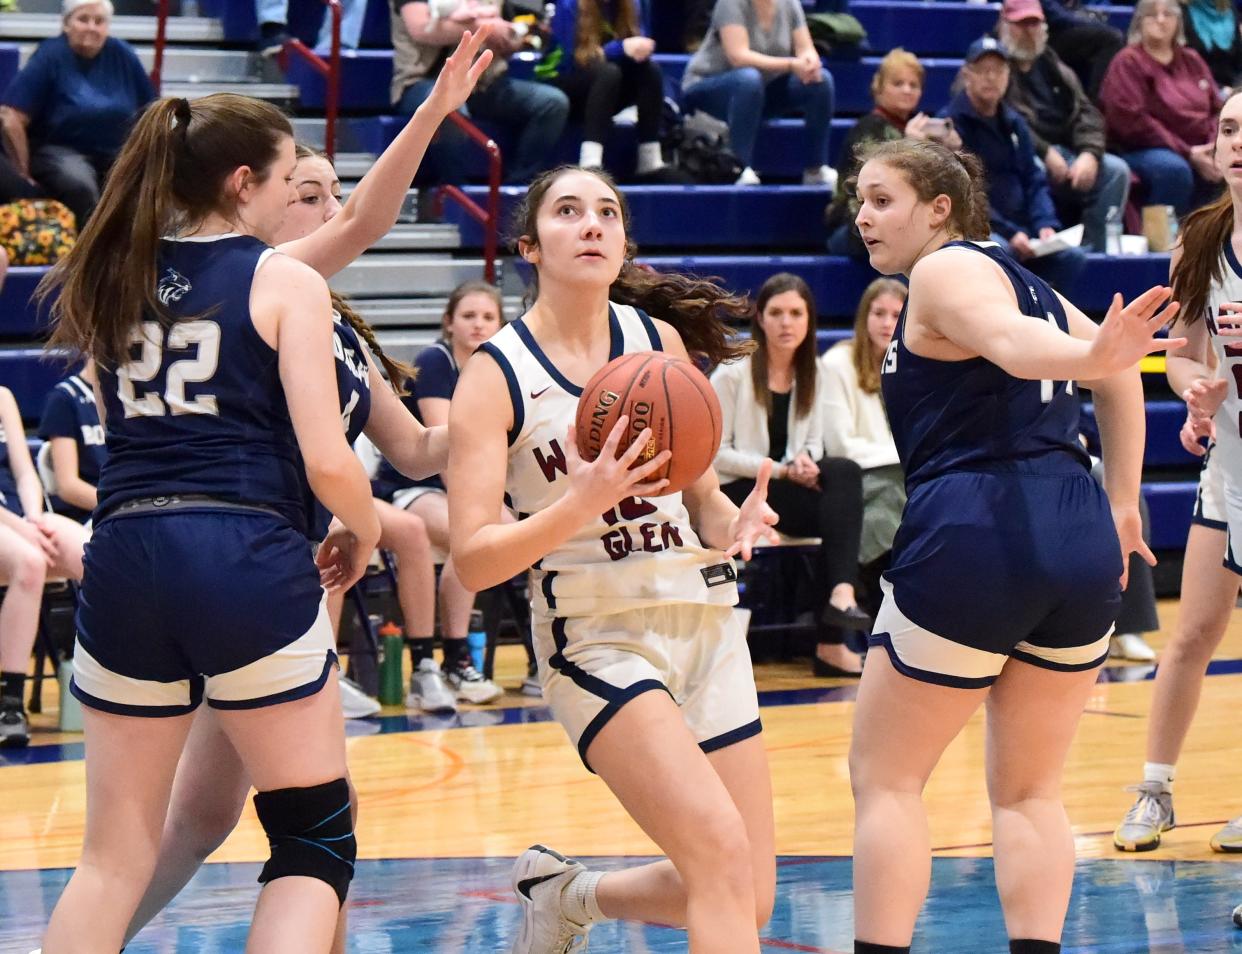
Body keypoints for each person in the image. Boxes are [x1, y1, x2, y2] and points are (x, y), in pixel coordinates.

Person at [115, 35, 491, 953]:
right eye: (305, 190)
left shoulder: (337, 330)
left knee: (213, 819)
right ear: (253, 195)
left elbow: (421, 445)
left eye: (326, 192)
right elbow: (369, 217)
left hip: (250, 576)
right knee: (316, 831)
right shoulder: (256, 289)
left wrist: (508, 406)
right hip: (261, 574)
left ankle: (92, 934)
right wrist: (434, 111)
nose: (323, 207)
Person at [32, 91, 384, 954]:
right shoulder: (283, 278)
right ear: (241, 184)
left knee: (111, 859)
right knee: (312, 842)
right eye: (285, 171)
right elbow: (329, 461)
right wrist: (365, 529)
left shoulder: (111, 273)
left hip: (121, 554)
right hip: (239, 552)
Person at [849, 136, 1181, 954]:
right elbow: (1110, 379)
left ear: (940, 209)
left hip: (978, 527)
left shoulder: (943, 270)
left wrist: (1089, 354)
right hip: (1076, 538)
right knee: (1031, 792)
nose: (861, 216)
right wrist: (1122, 503)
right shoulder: (1028, 278)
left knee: (886, 779)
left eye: (880, 198)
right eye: (857, 199)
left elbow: (1009, 342)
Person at [448, 165, 779, 951]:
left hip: (703, 615)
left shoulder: (656, 344)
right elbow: (471, 560)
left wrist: (734, 519)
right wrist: (578, 502)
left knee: (750, 893)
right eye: (568, 211)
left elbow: (698, 495)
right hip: (599, 636)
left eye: (607, 211)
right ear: (530, 244)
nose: (591, 224)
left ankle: (571, 895)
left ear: (626, 241)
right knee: (718, 855)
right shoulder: (495, 376)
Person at [1115, 90, 1242, 855]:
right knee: (1192, 630)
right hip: (1230, 467)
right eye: (1228, 127)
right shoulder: (1201, 238)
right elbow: (1185, 351)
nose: (1237, 141)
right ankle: (1155, 789)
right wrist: (1193, 390)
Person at [712, 272, 869, 677]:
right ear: (760, 319)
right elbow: (716, 454)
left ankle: (840, 596)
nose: (787, 323)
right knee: (844, 502)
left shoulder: (815, 373)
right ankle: (832, 641)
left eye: (796, 313)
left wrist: (806, 461)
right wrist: (782, 469)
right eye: (777, 313)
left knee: (842, 473)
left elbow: (814, 441)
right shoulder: (732, 373)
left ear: (809, 320)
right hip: (737, 493)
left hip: (782, 490)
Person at [371, 279, 507, 713]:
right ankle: (451, 656)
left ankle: (501, 663)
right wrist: (482, 507)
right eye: (469, 316)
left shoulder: (499, 368)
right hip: (414, 482)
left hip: (465, 485)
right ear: (449, 322)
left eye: (488, 317)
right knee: (468, 534)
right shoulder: (436, 359)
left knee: (519, 533)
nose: (479, 325)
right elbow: (445, 447)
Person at [945, 36, 1087, 293]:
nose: (991, 78)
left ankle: (1044, 316)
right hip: (982, 228)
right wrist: (1010, 232)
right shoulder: (952, 125)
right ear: (967, 75)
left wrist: (1045, 224)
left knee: (1072, 257)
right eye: (984, 71)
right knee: (1000, 251)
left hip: (1024, 228)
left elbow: (1033, 178)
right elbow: (965, 192)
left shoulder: (1014, 122)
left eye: (998, 70)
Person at [0, 0, 154, 226]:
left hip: (115, 152)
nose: (91, 27)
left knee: (144, 184)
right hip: (58, 152)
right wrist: (22, 173)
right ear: (66, 24)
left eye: (99, 21)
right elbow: (10, 116)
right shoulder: (50, 55)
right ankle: (88, 256)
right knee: (79, 184)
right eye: (83, 20)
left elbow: (151, 110)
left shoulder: (123, 54)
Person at [1000, 0, 1131, 254]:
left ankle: (1095, 253)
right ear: (1005, 25)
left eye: (1034, 23)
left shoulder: (1053, 65)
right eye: (1020, 24)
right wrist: (1046, 152)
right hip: (1025, 155)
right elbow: (1005, 120)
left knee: (1117, 171)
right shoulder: (995, 67)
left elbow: (1086, 113)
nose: (1028, 31)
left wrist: (1089, 154)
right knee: (1033, 169)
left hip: (1069, 152)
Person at [390, 0, 570, 185]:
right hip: (423, 84)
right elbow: (422, 28)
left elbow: (510, 30)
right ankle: (456, 193)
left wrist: (512, 36)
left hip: (483, 84)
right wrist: (485, 29)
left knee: (553, 103)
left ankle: (519, 193)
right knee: (450, 106)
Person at [0, 385, 89, 748]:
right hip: (9, 526)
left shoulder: (4, 395)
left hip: (20, 520)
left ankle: (118, 676)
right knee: (32, 563)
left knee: (95, 554)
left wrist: (35, 518)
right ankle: (10, 704)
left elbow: (24, 473)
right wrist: (22, 528)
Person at [681, 0, 837, 187]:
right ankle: (738, 166)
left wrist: (809, 62)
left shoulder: (790, 4)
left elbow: (806, 49)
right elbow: (738, 57)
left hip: (759, 92)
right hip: (708, 88)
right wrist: (791, 64)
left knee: (821, 81)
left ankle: (816, 168)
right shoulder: (730, 3)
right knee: (748, 79)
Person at [826, 49, 961, 255]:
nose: (907, 90)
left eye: (913, 85)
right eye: (898, 83)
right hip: (855, 225)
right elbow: (871, 187)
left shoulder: (918, 129)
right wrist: (911, 146)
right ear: (879, 88)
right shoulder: (867, 128)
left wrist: (951, 153)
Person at [818, 278, 905, 591]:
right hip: (856, 479)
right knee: (900, 495)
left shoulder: (911, 368)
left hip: (899, 475)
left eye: (896, 316)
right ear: (863, 316)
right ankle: (874, 584)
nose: (886, 323)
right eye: (878, 313)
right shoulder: (837, 363)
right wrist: (905, 456)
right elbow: (841, 446)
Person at [1098, 0, 1220, 217]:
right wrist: (1187, 152)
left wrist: (1215, 146)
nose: (1161, 20)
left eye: (1168, 14)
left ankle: (1220, 239)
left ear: (1179, 22)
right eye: (1152, 15)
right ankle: (1162, 242)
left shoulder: (1192, 59)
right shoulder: (1128, 62)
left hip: (1201, 147)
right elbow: (1133, 122)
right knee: (1173, 170)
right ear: (1139, 22)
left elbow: (1216, 109)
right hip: (1144, 149)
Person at [541, 0, 670, 179]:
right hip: (564, 84)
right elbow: (569, 63)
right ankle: (590, 161)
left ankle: (649, 158)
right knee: (608, 72)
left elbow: (639, 47)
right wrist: (619, 49)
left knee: (650, 70)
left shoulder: (633, 5)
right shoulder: (569, 5)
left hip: (607, 87)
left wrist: (640, 49)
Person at [37, 359, 105, 524]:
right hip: (91, 516)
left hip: (129, 505)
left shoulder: (130, 398)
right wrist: (119, 507)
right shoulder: (65, 399)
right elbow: (68, 487)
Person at [1040, 0, 1126, 98]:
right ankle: (1098, 101)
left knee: (1118, 36)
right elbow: (1058, 17)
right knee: (1112, 39)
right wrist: (1092, 21)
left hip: (1068, 26)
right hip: (1049, 34)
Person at [1180, 0, 1242, 94]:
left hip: (1235, 89)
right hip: (1201, 91)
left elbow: (1239, 61)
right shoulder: (1180, 13)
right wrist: (1218, 90)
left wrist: (1236, 89)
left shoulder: (1230, 9)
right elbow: (1184, 68)